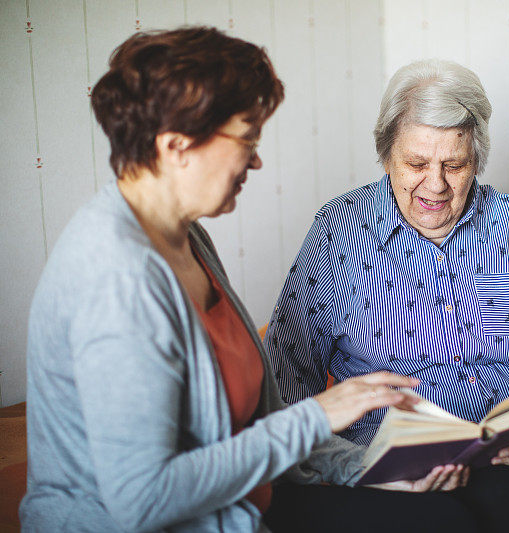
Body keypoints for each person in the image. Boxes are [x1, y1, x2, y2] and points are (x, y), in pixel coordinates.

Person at [21, 29, 471, 533]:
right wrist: (317, 415)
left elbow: (262, 427)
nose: (256, 161)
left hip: (240, 508)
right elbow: (143, 501)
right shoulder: (115, 277)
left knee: (444, 512)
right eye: (246, 141)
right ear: (176, 147)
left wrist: (373, 468)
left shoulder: (188, 237)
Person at [266, 59, 509, 532]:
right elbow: (287, 368)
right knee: (507, 504)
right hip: (414, 444)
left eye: (454, 165)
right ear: (386, 155)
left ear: (476, 159)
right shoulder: (340, 230)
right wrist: (343, 463)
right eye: (416, 163)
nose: (435, 185)